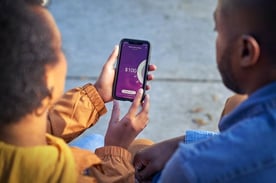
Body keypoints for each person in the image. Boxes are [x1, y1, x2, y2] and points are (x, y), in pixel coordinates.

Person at [0, 0, 156, 182]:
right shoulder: (63, 174)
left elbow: (38, 128)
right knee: (143, 148)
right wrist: (116, 150)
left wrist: (96, 94)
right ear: (46, 81)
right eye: (58, 50)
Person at [134, 0, 276, 182]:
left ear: (246, 51)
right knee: (235, 103)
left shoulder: (190, 168)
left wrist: (115, 150)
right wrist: (185, 142)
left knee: (136, 149)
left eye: (218, 31)